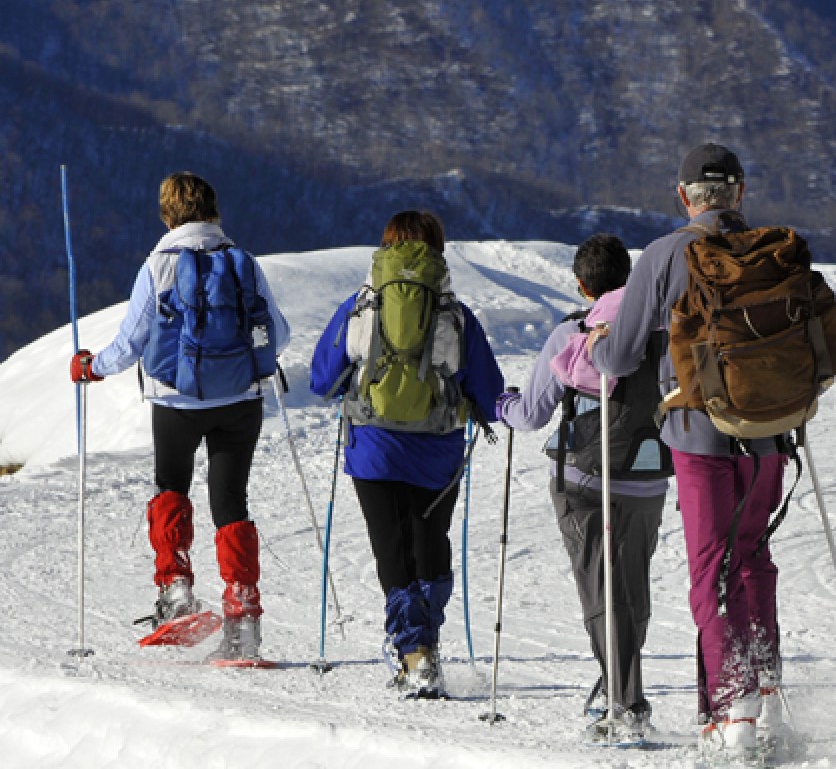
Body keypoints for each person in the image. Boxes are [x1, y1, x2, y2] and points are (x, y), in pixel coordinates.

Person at [589, 144, 794, 757]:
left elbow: (622, 355)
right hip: (768, 430)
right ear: (740, 193)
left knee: (710, 569)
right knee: (753, 556)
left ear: (684, 197)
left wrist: (598, 348)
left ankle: (733, 705)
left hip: (699, 432)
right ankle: (764, 686)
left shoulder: (663, 255)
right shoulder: (772, 250)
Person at [68, 171, 291, 662]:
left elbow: (130, 343)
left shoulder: (159, 265)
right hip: (239, 400)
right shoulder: (244, 263)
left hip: (177, 401)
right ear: (214, 209)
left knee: (171, 488)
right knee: (232, 502)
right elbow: (279, 332)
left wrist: (91, 368)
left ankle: (176, 594)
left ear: (167, 214)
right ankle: (244, 621)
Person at [309, 210, 504, 699]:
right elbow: (489, 393)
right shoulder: (456, 316)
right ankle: (426, 646)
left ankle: (415, 656)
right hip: (438, 448)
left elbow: (320, 380)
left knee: (390, 548)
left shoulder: (360, 306)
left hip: (372, 447)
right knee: (428, 541)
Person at [496, 233, 670, 742]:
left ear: (581, 284)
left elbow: (530, 414)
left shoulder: (573, 332)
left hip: (584, 479)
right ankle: (619, 689)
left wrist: (501, 405)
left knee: (600, 589)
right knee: (631, 589)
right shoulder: (662, 331)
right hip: (648, 475)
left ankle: (624, 703)